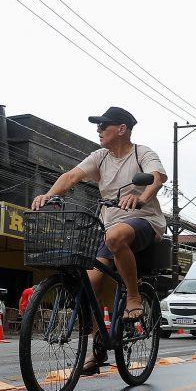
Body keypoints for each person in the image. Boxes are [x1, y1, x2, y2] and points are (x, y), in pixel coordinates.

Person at [31, 106, 168, 374]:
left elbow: (157, 178)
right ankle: (97, 349)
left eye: (104, 126)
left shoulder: (142, 153)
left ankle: (133, 297)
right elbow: (71, 176)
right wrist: (49, 195)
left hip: (144, 221)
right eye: (98, 126)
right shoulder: (100, 156)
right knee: (90, 283)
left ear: (122, 129)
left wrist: (141, 198)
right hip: (110, 226)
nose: (98, 130)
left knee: (115, 236)